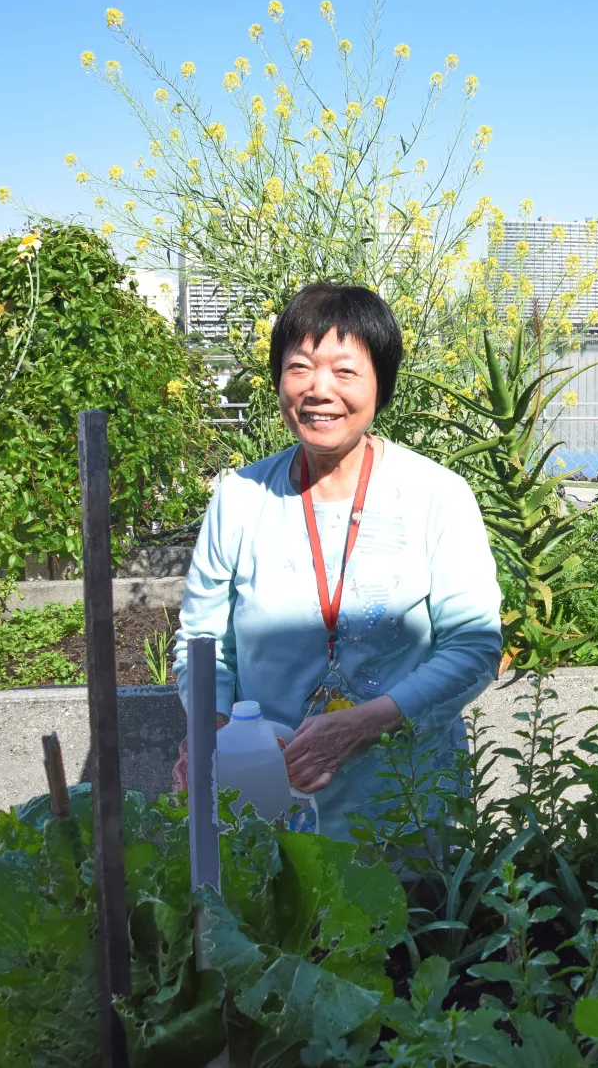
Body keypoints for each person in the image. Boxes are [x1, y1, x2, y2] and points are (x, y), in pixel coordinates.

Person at [172, 282, 502, 839]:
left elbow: (474, 647)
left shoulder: (435, 496)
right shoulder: (241, 497)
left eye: (345, 372)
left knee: (403, 920)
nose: (318, 390)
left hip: (404, 794)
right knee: (273, 919)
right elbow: (202, 640)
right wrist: (215, 727)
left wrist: (367, 724)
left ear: (382, 386)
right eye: (299, 367)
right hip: (265, 789)